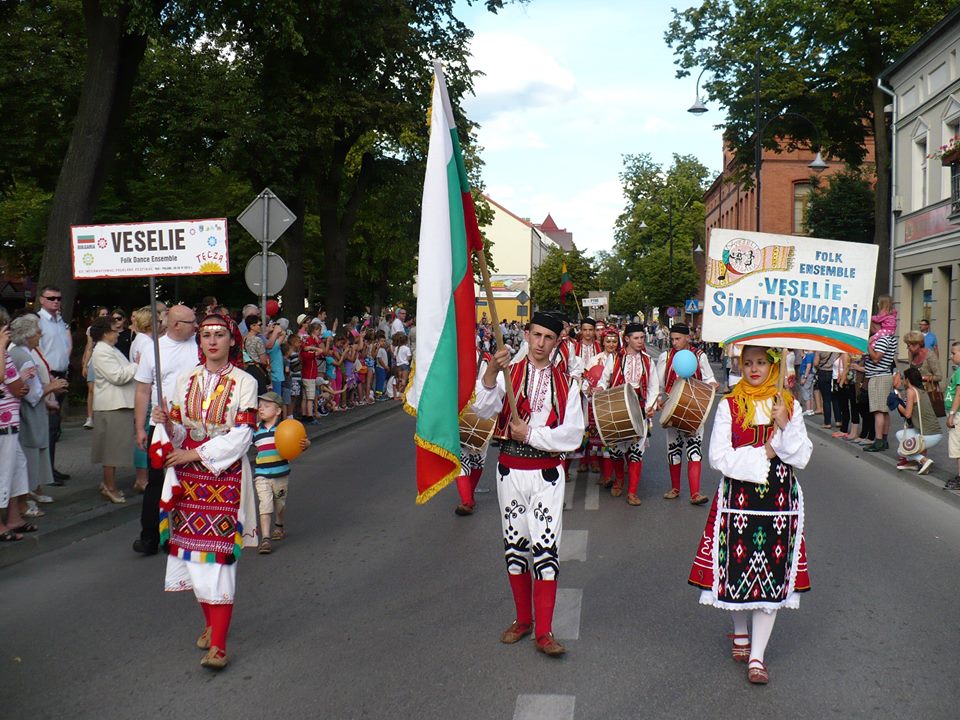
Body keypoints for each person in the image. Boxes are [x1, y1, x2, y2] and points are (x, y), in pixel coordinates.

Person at [688, 345, 812, 685]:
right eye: (748, 363)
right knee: (737, 570)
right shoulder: (729, 405)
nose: (754, 369)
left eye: (760, 363)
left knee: (771, 576)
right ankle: (739, 630)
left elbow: (802, 457)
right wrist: (768, 450)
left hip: (780, 502)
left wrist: (786, 426)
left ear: (773, 365)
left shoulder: (789, 404)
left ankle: (757, 656)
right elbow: (719, 456)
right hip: (739, 500)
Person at [471, 312, 585, 657]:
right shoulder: (509, 372)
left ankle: (545, 631)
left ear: (556, 342)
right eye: (536, 335)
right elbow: (482, 408)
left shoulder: (569, 383)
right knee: (515, 547)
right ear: (526, 335)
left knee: (546, 550)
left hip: (547, 474)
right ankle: (523, 620)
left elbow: (573, 434)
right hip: (509, 470)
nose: (540, 343)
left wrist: (532, 434)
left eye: (548, 338)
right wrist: (490, 373)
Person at [155, 313, 259, 670]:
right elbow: (181, 431)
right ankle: (209, 622)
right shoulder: (185, 379)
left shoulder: (245, 382)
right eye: (205, 335)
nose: (212, 341)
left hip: (224, 478)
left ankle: (219, 644)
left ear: (232, 340)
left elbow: (242, 436)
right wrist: (166, 424)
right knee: (192, 558)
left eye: (219, 335)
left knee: (218, 561)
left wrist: (195, 453)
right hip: (188, 480)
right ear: (198, 342)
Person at [132, 304, 199, 556]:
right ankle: (149, 536)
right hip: (161, 425)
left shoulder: (199, 346)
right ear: (176, 324)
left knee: (191, 479)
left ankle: (187, 532)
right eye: (192, 321)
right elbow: (142, 390)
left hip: (194, 425)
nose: (197, 325)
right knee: (157, 481)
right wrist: (140, 427)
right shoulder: (153, 350)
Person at [9, 315, 68, 512]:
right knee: (28, 458)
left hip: (21, 413)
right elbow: (32, 394)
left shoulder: (14, 352)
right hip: (28, 415)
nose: (40, 335)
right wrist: (52, 387)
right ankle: (22, 504)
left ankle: (24, 499)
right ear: (27, 335)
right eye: (36, 332)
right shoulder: (25, 357)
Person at [595, 323, 659, 505]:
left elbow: (654, 386)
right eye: (636, 338)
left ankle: (632, 492)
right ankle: (619, 480)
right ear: (627, 339)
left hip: (638, 409)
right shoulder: (615, 358)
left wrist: (650, 405)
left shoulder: (647, 360)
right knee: (615, 450)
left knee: (636, 452)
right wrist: (599, 388)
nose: (640, 341)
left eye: (642, 338)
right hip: (617, 407)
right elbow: (604, 378)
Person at [656, 324, 717, 505]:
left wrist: (713, 385)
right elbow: (659, 383)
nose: (674, 342)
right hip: (672, 410)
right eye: (672, 339)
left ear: (688, 338)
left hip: (694, 410)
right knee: (673, 450)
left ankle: (695, 493)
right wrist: (659, 399)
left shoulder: (700, 356)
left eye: (678, 339)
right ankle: (675, 488)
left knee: (694, 450)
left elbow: (709, 378)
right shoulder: (665, 357)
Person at [252, 391, 309, 554]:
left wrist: (306, 444)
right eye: (260, 406)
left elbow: (301, 442)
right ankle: (265, 539)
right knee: (265, 504)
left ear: (278, 411)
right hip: (261, 474)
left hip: (281, 473)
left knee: (280, 503)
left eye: (266, 406)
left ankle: (279, 525)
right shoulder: (255, 430)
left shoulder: (286, 429)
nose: (261, 409)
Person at [89, 316, 138, 503]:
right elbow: (117, 376)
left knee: (114, 449)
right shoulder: (102, 351)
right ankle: (110, 486)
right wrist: (136, 365)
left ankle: (107, 483)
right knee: (112, 450)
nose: (118, 332)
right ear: (104, 333)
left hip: (116, 404)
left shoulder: (109, 349)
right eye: (114, 330)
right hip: (112, 405)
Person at [0, 308, 33, 541]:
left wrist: (21, 384)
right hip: (3, 425)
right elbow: (8, 381)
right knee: (4, 472)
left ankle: (13, 518)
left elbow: (18, 386)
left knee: (16, 470)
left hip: (10, 422)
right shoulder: (2, 351)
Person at [36, 285, 71, 483]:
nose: (56, 302)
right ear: (41, 300)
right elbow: (39, 352)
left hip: (60, 374)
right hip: (47, 376)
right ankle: (46, 472)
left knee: (55, 426)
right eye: (51, 298)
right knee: (49, 425)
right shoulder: (39, 322)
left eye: (58, 298)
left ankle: (51, 467)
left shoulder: (59, 321)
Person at [454, 348, 493, 516]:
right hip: (481, 414)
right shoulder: (486, 358)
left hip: (462, 411)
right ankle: (467, 498)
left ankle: (467, 499)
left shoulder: (449, 356)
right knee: (475, 459)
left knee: (463, 458)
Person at [894, 367, 943, 475]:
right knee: (901, 434)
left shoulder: (910, 391)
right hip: (934, 432)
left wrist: (897, 403)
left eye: (903, 379)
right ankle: (916, 463)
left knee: (901, 449)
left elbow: (907, 414)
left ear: (908, 380)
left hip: (929, 434)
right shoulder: (920, 391)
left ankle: (923, 460)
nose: (902, 381)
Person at [864, 306, 898, 453]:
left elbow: (877, 358)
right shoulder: (890, 338)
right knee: (884, 411)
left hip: (878, 376)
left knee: (878, 410)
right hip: (883, 375)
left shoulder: (882, 340)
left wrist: (867, 346)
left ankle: (878, 441)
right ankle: (883, 439)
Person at [570, 318, 602, 475]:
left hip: (596, 392)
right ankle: (582, 459)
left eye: (591, 329)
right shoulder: (574, 348)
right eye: (585, 329)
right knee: (582, 425)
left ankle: (594, 460)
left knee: (595, 425)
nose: (588, 333)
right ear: (580, 331)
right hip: (578, 392)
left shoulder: (600, 347)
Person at [81, 307, 110, 430]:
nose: (104, 316)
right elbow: (89, 347)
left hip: (106, 359)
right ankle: (90, 417)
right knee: (92, 389)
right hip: (94, 359)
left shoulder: (110, 328)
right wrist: (85, 364)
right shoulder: (91, 329)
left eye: (106, 314)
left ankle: (103, 417)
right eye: (102, 314)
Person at [904, 330, 942, 399]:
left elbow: (939, 376)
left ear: (917, 344)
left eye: (909, 345)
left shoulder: (930, 355)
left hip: (927, 393)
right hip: (914, 392)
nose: (907, 348)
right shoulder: (911, 354)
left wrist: (922, 377)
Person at [943, 342, 960, 490]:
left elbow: (959, 394)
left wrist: (952, 415)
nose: (951, 356)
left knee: (958, 448)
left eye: (954, 353)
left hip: (957, 415)